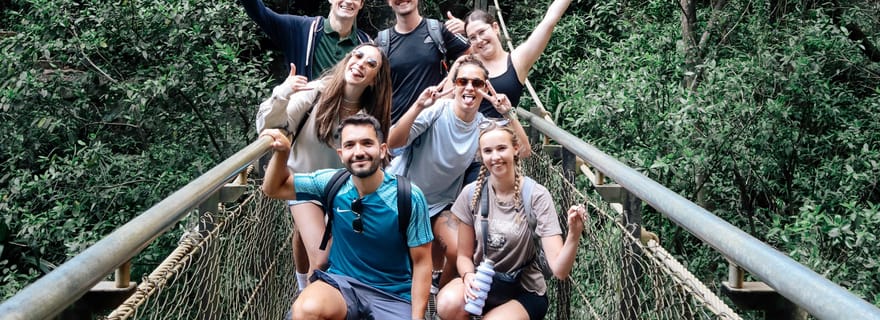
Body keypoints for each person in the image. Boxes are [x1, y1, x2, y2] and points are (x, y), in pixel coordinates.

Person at [261, 114, 433, 319]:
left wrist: (417, 317)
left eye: (367, 143)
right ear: (341, 154)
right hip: (341, 285)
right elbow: (273, 189)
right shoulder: (332, 183)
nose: (358, 152)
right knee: (306, 310)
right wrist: (283, 154)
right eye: (350, 145)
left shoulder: (408, 196)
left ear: (382, 149)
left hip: (392, 293)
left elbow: (422, 262)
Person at [256, 43, 392, 293]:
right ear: (348, 60)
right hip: (301, 184)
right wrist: (282, 92)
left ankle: (311, 297)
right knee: (322, 257)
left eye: (371, 64)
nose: (361, 63)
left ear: (375, 80)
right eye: (358, 56)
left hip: (341, 190)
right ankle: (305, 297)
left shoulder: (370, 115)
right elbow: (269, 126)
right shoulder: (316, 94)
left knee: (329, 248)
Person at [387, 55, 530, 291]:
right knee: (392, 257)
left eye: (477, 83)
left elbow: (523, 151)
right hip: (402, 195)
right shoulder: (436, 112)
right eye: (463, 81)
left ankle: (437, 295)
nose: (469, 88)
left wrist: (508, 113)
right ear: (454, 86)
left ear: (485, 88)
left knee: (460, 250)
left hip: (440, 204)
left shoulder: (483, 127)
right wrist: (419, 106)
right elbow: (392, 143)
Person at [435, 122, 586, 320]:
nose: (495, 157)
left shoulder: (536, 196)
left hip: (524, 289)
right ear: (481, 156)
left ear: (515, 149)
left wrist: (574, 234)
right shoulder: (472, 193)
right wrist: (468, 276)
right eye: (488, 151)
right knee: (447, 304)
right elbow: (464, 255)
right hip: (484, 282)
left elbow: (560, 271)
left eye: (501, 148)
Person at [462, 0, 573, 118]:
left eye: (482, 32)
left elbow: (548, 22)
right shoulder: (467, 64)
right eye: (473, 37)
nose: (479, 40)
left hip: (505, 133)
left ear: (495, 27)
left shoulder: (517, 60)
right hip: (470, 134)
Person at [382, 0, 471, 124]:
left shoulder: (438, 30)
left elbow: (473, 56)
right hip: (398, 128)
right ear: (388, 2)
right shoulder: (382, 43)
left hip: (436, 125)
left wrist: (468, 29)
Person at [241, 0, 372, 79]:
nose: (348, 1)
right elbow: (260, 14)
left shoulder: (366, 46)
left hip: (345, 122)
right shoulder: (301, 29)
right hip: (306, 118)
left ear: (361, 4)